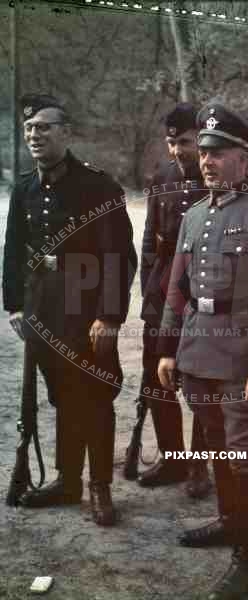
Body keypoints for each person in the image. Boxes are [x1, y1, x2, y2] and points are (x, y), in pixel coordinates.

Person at [158, 103, 248, 599]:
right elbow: (176, 290)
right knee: (215, 442)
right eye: (203, 152)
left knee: (244, 457)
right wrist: (167, 349)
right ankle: (228, 521)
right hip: (198, 353)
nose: (208, 160)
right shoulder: (195, 215)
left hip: (243, 361)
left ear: (245, 159)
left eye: (220, 152)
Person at [3, 94, 137, 526]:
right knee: (62, 395)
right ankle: (67, 481)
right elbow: (12, 250)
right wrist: (15, 305)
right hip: (43, 308)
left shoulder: (99, 186)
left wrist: (110, 316)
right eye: (29, 130)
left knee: (95, 395)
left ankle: (99, 487)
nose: (34, 135)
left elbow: (120, 255)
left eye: (43, 127)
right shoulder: (24, 187)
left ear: (66, 132)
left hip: (87, 308)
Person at [129, 103, 211, 498]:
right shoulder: (162, 176)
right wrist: (150, 289)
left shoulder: (218, 179)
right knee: (156, 379)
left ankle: (199, 466)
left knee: (200, 383)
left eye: (186, 142)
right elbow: (149, 239)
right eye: (172, 142)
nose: (178, 150)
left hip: (202, 301)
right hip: (163, 296)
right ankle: (173, 458)